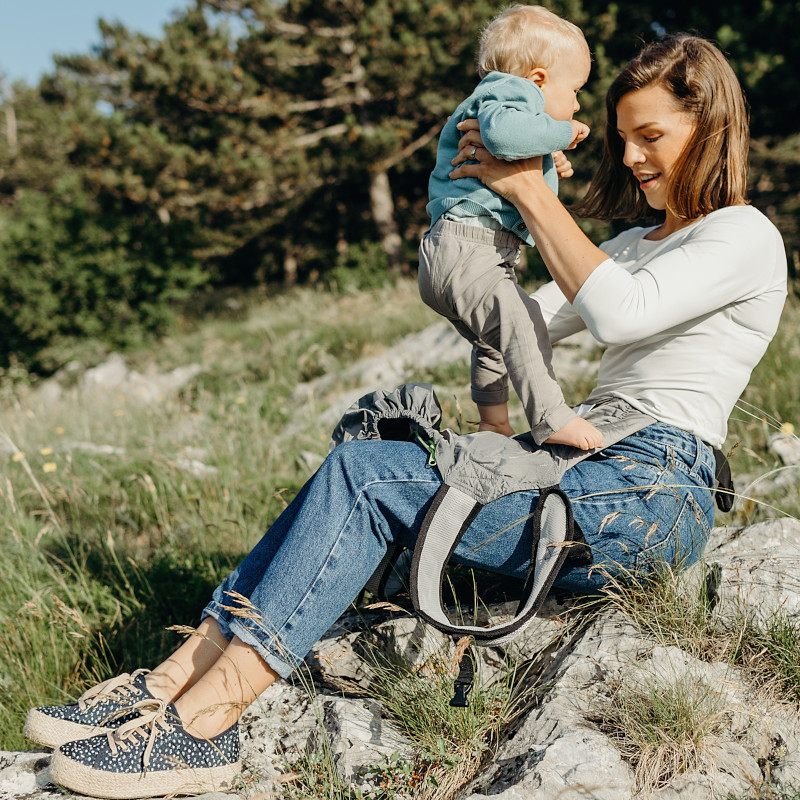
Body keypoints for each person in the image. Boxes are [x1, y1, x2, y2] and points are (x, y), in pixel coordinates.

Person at [26, 32, 786, 799]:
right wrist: (469, 242)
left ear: (710, 125)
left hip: (652, 487)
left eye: (650, 137)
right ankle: (173, 678)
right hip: (581, 466)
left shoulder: (744, 235)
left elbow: (623, 314)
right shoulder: (628, 244)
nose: (629, 159)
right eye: (622, 140)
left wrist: (528, 190)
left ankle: (202, 731)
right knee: (364, 459)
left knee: (368, 484)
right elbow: (518, 321)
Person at [419, 4, 603, 450]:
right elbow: (504, 136)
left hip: (454, 255)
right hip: (470, 250)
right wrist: (561, 134)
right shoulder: (511, 92)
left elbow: (511, 142)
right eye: (575, 90)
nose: (578, 103)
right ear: (538, 80)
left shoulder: (497, 101)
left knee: (494, 340)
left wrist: (547, 157)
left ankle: (493, 422)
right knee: (523, 321)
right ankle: (551, 416)